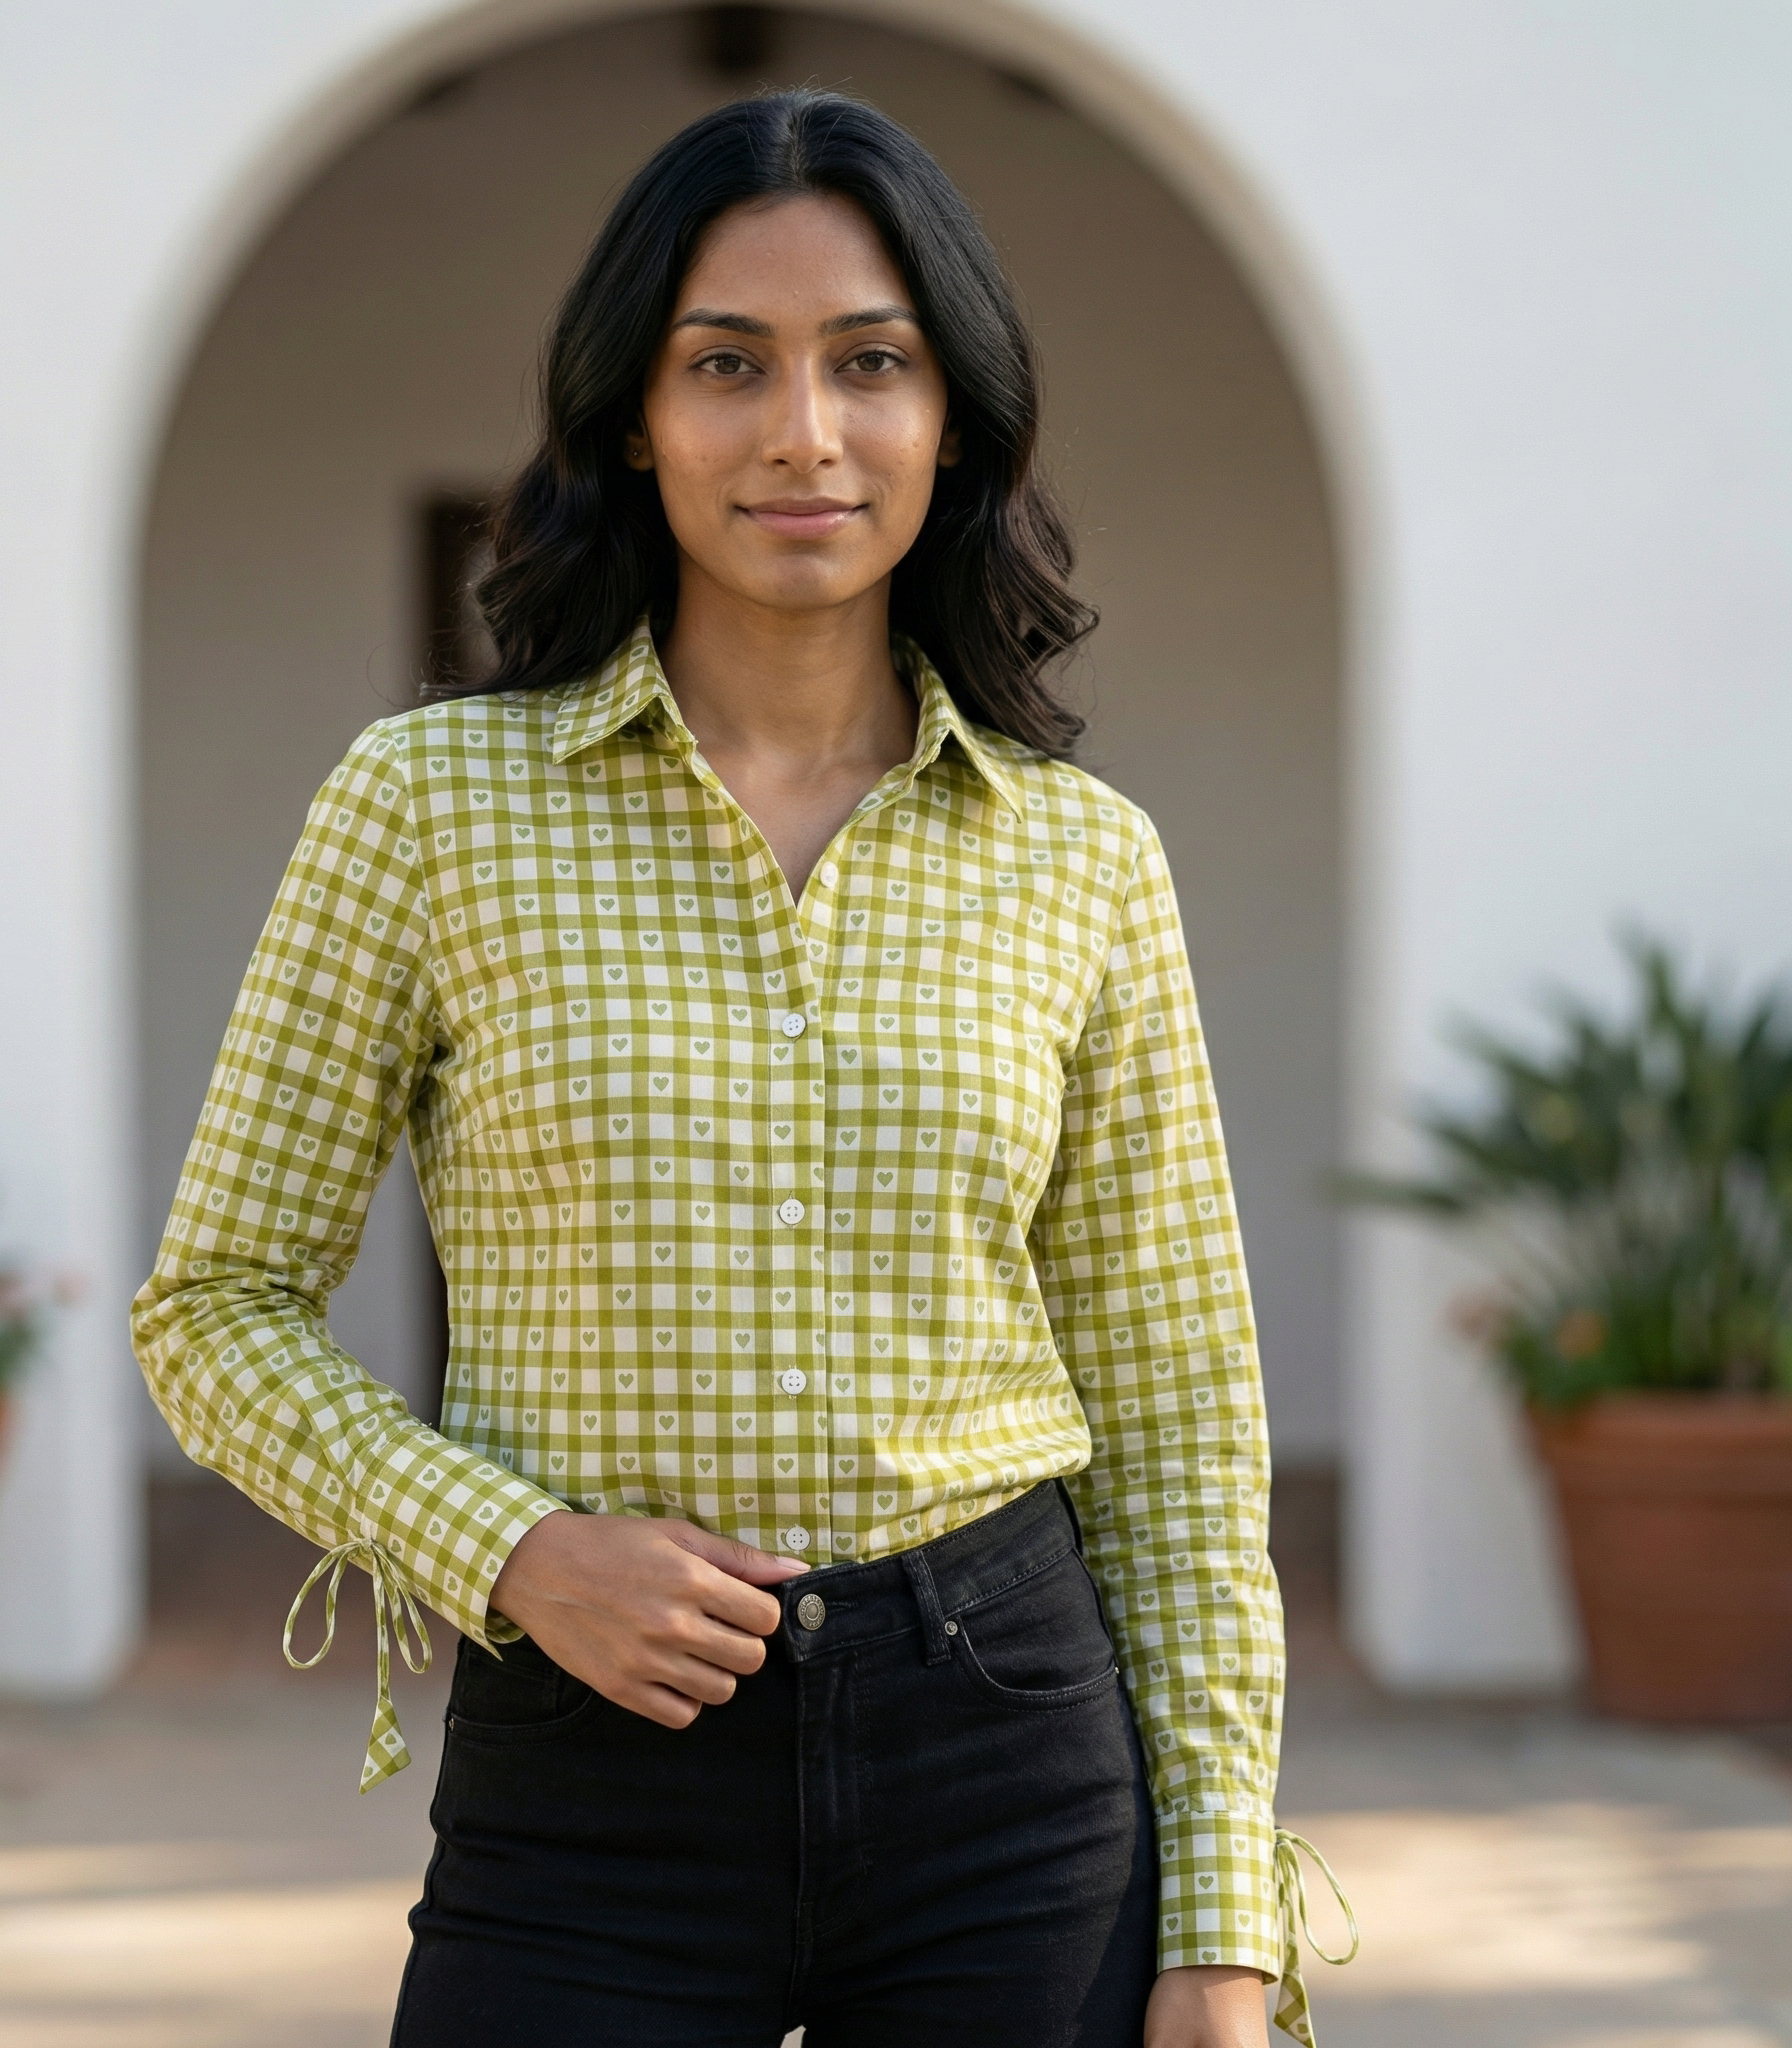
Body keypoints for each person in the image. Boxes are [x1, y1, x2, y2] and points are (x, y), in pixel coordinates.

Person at [134, 87, 1349, 2048]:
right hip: (589, 1772)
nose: (803, 432)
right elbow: (213, 1308)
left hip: (1009, 1767)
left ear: (952, 415)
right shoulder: (431, 808)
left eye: (870, 362)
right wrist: (512, 1551)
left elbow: (1181, 1423)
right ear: (633, 411)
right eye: (728, 366)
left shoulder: (1078, 854)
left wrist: (1220, 1919)